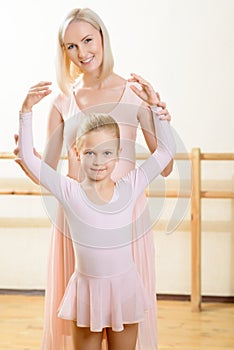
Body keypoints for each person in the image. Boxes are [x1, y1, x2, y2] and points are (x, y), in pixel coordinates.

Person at [14, 7, 173, 350]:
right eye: (70, 46)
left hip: (125, 218)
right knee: (82, 319)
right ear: (63, 52)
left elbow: (167, 162)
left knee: (124, 317)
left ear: (102, 38)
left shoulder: (134, 93)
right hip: (77, 221)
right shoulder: (62, 100)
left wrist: (160, 113)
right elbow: (46, 167)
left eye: (87, 40)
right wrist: (25, 150)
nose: (82, 52)